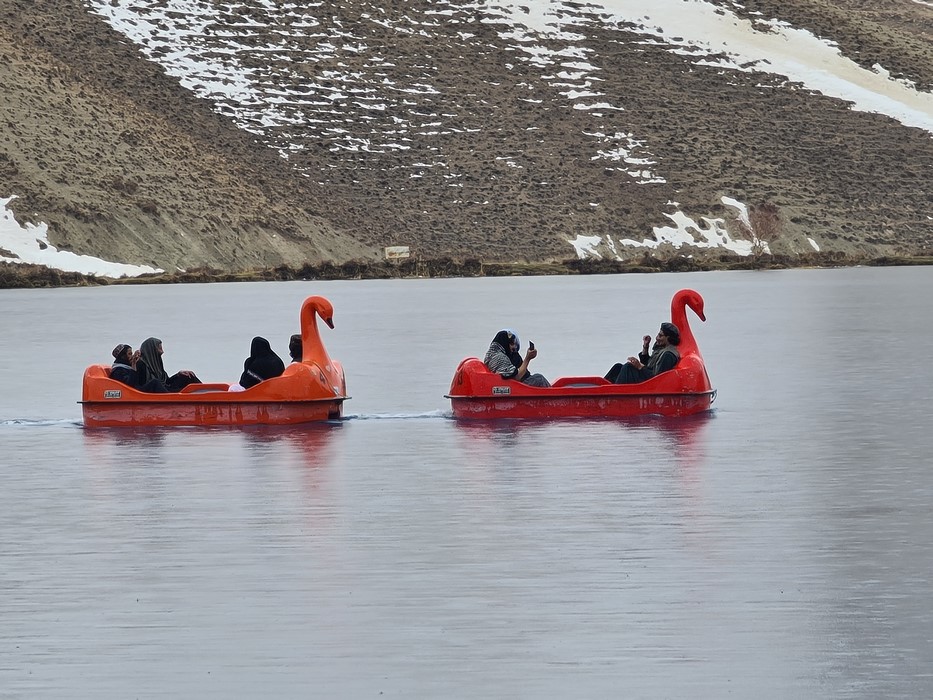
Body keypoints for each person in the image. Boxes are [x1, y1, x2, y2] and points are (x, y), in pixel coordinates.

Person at [605, 322, 681, 384]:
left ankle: (615, 393)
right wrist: (645, 346)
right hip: (647, 377)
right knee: (618, 367)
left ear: (668, 338)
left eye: (660, 336)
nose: (657, 338)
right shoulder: (661, 348)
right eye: (658, 334)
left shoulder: (668, 355)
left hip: (650, 384)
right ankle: (600, 387)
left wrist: (639, 366)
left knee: (628, 367)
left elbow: (657, 379)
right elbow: (649, 365)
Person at [483, 329, 550, 388]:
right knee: (539, 378)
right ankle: (554, 397)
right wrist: (528, 358)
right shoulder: (499, 357)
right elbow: (516, 377)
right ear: (505, 343)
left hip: (506, 386)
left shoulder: (490, 355)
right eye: (512, 344)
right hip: (511, 388)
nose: (514, 347)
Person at [136, 337, 202, 392]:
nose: (162, 352)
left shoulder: (156, 363)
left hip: (166, 389)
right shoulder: (140, 364)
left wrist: (178, 374)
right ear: (152, 350)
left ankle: (207, 392)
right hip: (156, 393)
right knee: (155, 382)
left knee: (188, 376)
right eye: (160, 348)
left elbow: (166, 381)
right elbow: (139, 385)